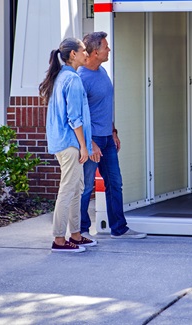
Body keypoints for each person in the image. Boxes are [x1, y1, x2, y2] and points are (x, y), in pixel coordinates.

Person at [78, 31, 146, 239]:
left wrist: (113, 131)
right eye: (105, 47)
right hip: (92, 141)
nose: (109, 50)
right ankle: (80, 231)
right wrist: (89, 144)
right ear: (95, 52)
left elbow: (105, 106)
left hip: (107, 138)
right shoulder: (81, 78)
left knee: (115, 182)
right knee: (86, 186)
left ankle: (119, 228)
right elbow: (78, 115)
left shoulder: (103, 72)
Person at [39, 37, 101, 253]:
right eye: (83, 50)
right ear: (73, 54)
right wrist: (84, 147)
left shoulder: (64, 76)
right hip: (70, 143)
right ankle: (59, 239)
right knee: (68, 189)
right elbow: (75, 118)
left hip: (66, 142)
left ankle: (75, 235)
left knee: (77, 188)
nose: (87, 53)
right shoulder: (72, 80)